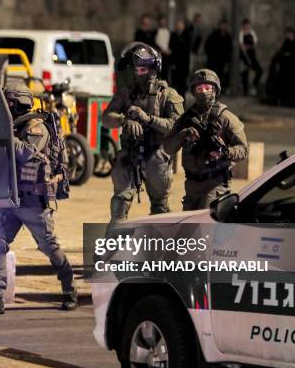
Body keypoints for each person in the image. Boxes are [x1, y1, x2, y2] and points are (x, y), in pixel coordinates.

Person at [0, 83, 77, 314]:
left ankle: (69, 288)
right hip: (9, 198)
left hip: (33, 199)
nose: (6, 107)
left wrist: (3, 133)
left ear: (19, 102)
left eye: (9, 103)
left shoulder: (36, 126)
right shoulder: (10, 126)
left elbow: (24, 153)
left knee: (48, 245)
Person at [103, 42, 184, 222]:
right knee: (120, 202)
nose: (139, 73)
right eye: (136, 69)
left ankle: (161, 246)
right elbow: (106, 118)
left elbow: (177, 126)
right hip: (130, 153)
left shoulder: (168, 95)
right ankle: (114, 244)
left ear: (154, 69)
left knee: (160, 207)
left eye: (143, 69)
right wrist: (124, 120)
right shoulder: (126, 93)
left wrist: (149, 119)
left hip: (156, 155)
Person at [164, 69, 248, 210]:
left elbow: (243, 150)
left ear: (215, 90)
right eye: (199, 88)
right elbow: (168, 148)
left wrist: (225, 152)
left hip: (215, 184)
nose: (203, 91)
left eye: (207, 88)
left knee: (204, 224)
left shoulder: (226, 117)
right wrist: (183, 134)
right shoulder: (187, 118)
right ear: (194, 91)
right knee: (189, 227)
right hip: (191, 185)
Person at [204, 20, 232, 93]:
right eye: (222, 25)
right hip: (213, 59)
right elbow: (207, 45)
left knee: (221, 75)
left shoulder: (228, 37)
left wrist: (227, 60)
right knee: (211, 76)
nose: (223, 27)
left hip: (223, 60)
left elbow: (229, 49)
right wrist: (210, 54)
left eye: (224, 25)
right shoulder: (214, 35)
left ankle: (220, 90)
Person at [239, 18, 263, 96]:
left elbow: (255, 44)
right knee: (244, 73)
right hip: (244, 57)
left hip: (252, 56)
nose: (247, 26)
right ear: (243, 25)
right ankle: (245, 91)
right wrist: (247, 56)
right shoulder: (241, 33)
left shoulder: (252, 33)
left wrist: (248, 47)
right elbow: (242, 47)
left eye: (248, 25)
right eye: (245, 25)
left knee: (259, 71)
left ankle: (253, 85)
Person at [169, 20, 192, 97]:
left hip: (184, 63)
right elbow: (171, 48)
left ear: (183, 26)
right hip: (175, 63)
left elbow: (186, 50)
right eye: (178, 25)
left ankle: (182, 101)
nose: (179, 27)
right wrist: (172, 62)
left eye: (181, 25)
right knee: (175, 84)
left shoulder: (187, 36)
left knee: (183, 84)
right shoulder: (173, 35)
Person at [155, 14, 171, 81]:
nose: (162, 22)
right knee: (157, 73)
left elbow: (171, 42)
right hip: (158, 54)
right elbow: (154, 43)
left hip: (166, 55)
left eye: (163, 21)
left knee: (166, 74)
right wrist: (160, 50)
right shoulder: (155, 31)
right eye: (161, 21)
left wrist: (169, 50)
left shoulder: (168, 32)